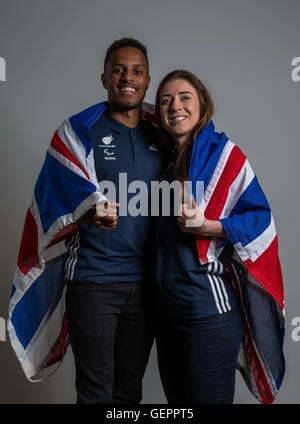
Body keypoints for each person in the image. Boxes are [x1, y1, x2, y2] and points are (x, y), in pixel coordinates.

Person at [7, 38, 164, 404]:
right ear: (104, 77)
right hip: (94, 282)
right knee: (94, 393)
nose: (128, 77)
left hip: (148, 286)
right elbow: (53, 198)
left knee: (129, 393)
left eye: (137, 71)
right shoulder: (78, 132)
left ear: (147, 79)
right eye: (119, 70)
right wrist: (90, 211)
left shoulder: (165, 131)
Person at [151, 70, 285, 404]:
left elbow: (261, 220)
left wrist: (210, 226)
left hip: (207, 312)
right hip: (166, 316)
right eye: (165, 100)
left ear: (201, 105)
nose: (175, 106)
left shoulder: (225, 156)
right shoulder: (161, 166)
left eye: (185, 98)